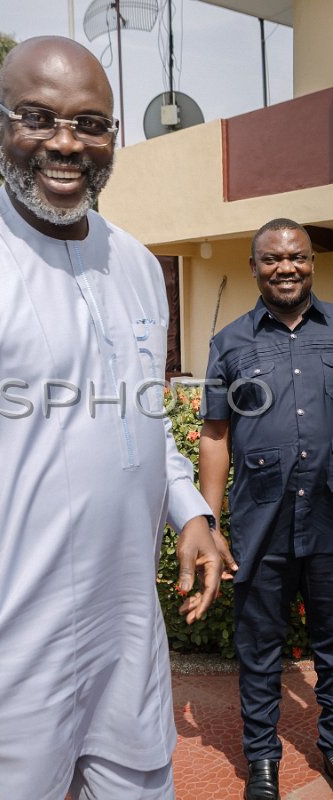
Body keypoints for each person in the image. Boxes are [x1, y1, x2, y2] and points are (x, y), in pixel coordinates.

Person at [0, 36, 221, 800]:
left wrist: (187, 507)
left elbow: (139, 416)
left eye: (89, 124)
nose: (65, 143)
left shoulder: (136, 265)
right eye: (38, 118)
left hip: (127, 646)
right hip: (3, 660)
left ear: (112, 137)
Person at [199, 218, 333, 800]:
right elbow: (215, 434)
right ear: (254, 267)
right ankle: (262, 760)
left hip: (330, 519)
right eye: (273, 259)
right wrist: (208, 523)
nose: (286, 268)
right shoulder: (229, 342)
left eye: (296, 257)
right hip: (262, 521)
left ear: (311, 262)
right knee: (258, 650)